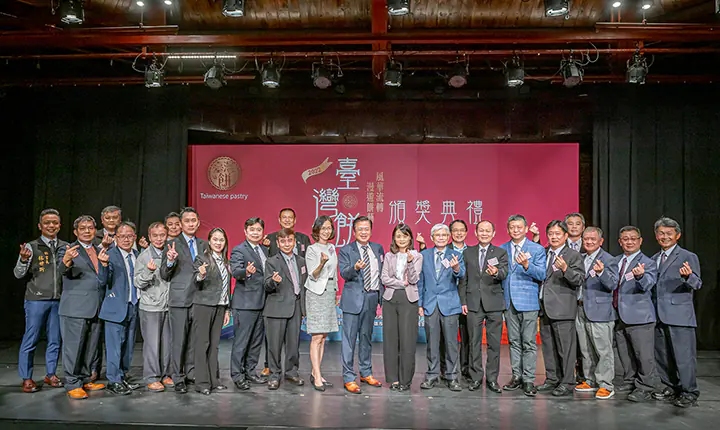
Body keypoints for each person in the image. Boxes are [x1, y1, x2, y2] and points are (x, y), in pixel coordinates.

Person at [597, 225, 658, 402]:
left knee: (643, 355)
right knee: (625, 353)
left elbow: (648, 284)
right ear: (620, 242)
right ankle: (631, 381)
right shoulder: (615, 261)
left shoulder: (648, 262)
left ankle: (645, 387)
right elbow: (611, 284)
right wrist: (601, 273)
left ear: (640, 241)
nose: (629, 242)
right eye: (625, 239)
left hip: (640, 316)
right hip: (618, 315)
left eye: (633, 238)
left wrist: (640, 276)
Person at [651, 217, 702, 408]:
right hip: (657, 315)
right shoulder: (654, 259)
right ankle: (671, 387)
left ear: (677, 235)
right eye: (661, 233)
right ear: (656, 236)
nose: (664, 237)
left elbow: (697, 284)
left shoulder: (688, 256)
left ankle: (689, 392)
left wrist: (688, 276)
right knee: (663, 356)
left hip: (680, 316)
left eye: (669, 233)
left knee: (684, 357)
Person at [14, 208, 66, 393]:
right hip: (36, 299)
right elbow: (18, 274)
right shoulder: (31, 247)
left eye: (54, 223)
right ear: (40, 226)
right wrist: (23, 260)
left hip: (58, 300)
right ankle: (26, 377)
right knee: (31, 338)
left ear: (59, 225)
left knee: (55, 339)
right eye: (47, 223)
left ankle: (51, 373)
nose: (51, 226)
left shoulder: (65, 247)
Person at [58, 215, 108, 400]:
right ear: (75, 232)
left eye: (90, 228)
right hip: (75, 308)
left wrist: (104, 264)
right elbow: (62, 271)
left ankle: (86, 378)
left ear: (95, 230)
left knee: (90, 347)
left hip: (97, 307)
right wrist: (66, 260)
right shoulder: (67, 249)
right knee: (74, 347)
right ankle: (72, 383)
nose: (87, 231)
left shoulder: (99, 249)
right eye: (83, 228)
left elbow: (102, 279)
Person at [458, 220, 508, 393]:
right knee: (474, 342)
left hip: (494, 303)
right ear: (476, 233)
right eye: (481, 230)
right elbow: (463, 279)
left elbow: (504, 273)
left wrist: (496, 272)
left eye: (488, 231)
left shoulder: (500, 253)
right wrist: (463, 301)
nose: (484, 233)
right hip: (473, 303)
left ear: (493, 233)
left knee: (494, 344)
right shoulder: (467, 252)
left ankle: (492, 379)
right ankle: (476, 377)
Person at [161, 207, 207, 394]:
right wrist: (170, 261)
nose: (190, 224)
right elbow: (164, 274)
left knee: (194, 340)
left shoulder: (204, 244)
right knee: (179, 341)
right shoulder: (171, 244)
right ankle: (178, 377)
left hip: (200, 297)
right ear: (181, 224)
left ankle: (191, 373)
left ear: (198, 223)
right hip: (179, 299)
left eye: (193, 220)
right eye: (186, 221)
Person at [261, 207, 312, 376]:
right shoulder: (271, 261)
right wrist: (273, 281)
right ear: (278, 243)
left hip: (295, 306)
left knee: (293, 343)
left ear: (294, 242)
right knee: (274, 344)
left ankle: (291, 372)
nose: (287, 244)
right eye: (283, 241)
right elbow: (266, 284)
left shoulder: (301, 261)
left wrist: (304, 308)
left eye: (290, 241)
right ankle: (274, 374)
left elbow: (304, 283)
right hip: (277, 304)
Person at [536, 220, 584, 397]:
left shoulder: (573, 255)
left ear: (565, 236)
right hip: (544, 308)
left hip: (563, 309)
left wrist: (565, 269)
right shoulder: (543, 253)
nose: (554, 237)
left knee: (566, 349)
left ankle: (567, 382)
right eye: (551, 234)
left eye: (557, 234)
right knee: (548, 348)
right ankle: (552, 379)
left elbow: (579, 279)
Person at [499, 214, 546, 397]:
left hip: (528, 301)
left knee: (529, 342)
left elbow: (542, 274)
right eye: (512, 227)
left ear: (526, 229)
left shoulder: (536, 249)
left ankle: (528, 379)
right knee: (513, 342)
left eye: (519, 227)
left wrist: (527, 265)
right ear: (507, 229)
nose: (516, 230)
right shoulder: (502, 249)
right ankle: (516, 376)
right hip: (508, 301)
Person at [338, 216, 385, 394]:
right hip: (353, 300)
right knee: (349, 341)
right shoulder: (346, 250)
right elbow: (344, 273)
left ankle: (366, 373)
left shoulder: (377, 248)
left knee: (366, 338)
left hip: (371, 298)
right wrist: (355, 268)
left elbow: (381, 273)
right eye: (360, 229)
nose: (364, 232)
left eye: (366, 229)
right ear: (354, 231)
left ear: (371, 231)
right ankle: (349, 377)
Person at [418, 223, 466, 391]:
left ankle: (452, 377)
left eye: (444, 235)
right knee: (432, 343)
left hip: (450, 304)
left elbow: (462, 275)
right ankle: (432, 375)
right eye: (437, 235)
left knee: (451, 343)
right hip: (430, 304)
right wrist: (420, 304)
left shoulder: (456, 255)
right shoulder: (424, 255)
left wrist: (456, 268)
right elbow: (420, 281)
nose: (441, 238)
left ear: (448, 237)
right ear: (432, 238)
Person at [98, 222, 142, 395]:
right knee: (114, 347)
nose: (126, 239)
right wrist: (103, 265)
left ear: (134, 237)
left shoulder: (137, 255)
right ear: (115, 238)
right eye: (122, 236)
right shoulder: (109, 255)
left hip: (133, 306)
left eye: (129, 236)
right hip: (115, 308)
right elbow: (102, 281)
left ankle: (123, 376)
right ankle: (113, 380)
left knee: (128, 346)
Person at [574, 226, 616, 400]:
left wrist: (601, 273)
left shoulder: (608, 259)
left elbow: (612, 284)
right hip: (580, 308)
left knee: (603, 350)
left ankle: (606, 384)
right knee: (585, 348)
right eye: (586, 239)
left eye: (593, 239)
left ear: (601, 241)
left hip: (600, 310)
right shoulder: (581, 258)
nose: (589, 242)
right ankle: (590, 379)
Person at [380, 224, 423, 392]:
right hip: (390, 299)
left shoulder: (417, 256)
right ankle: (393, 379)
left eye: (405, 236)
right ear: (394, 238)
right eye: (398, 236)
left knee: (407, 340)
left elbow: (413, 280)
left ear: (410, 238)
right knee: (390, 340)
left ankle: (405, 380)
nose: (401, 239)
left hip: (408, 299)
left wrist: (410, 262)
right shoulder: (389, 255)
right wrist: (400, 283)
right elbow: (384, 278)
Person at [229, 218, 269, 390]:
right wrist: (246, 272)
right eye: (252, 229)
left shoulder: (264, 250)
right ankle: (237, 375)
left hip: (262, 302)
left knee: (255, 342)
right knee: (242, 342)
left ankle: (250, 372)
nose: (255, 233)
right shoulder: (239, 250)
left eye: (258, 230)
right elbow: (235, 271)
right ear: (245, 231)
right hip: (245, 304)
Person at [135, 222, 174, 392]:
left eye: (162, 235)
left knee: (167, 344)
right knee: (152, 344)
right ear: (149, 237)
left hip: (168, 306)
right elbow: (138, 282)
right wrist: (148, 271)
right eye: (155, 236)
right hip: (151, 307)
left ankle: (166, 374)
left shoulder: (170, 254)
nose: (159, 239)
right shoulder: (144, 257)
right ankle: (152, 377)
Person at [192, 228, 232, 395]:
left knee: (214, 345)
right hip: (204, 306)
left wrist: (227, 309)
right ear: (209, 241)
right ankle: (202, 383)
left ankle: (214, 380)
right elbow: (195, 280)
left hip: (220, 306)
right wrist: (200, 275)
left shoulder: (225, 261)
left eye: (221, 240)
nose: (218, 243)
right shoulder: (201, 259)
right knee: (202, 344)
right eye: (215, 239)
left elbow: (226, 287)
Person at [305, 216, 340, 391]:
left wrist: (336, 291)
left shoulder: (332, 248)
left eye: (329, 228)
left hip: (330, 291)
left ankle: (315, 372)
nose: (326, 231)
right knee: (316, 337)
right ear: (317, 230)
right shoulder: (312, 249)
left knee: (324, 337)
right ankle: (317, 376)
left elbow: (334, 271)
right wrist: (321, 263)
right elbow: (313, 275)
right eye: (323, 228)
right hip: (316, 292)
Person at [444, 219, 471, 381]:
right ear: (450, 233)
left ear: (466, 232)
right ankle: (445, 370)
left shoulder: (471, 252)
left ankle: (465, 369)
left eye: (462, 230)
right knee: (446, 338)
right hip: (447, 300)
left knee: (467, 336)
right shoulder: (444, 250)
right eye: (455, 230)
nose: (459, 233)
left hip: (467, 300)